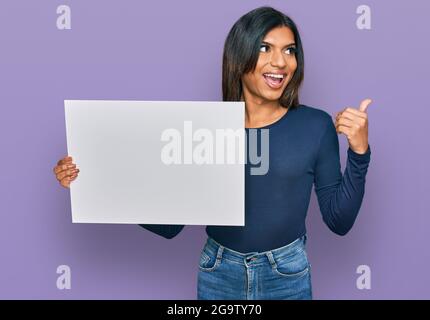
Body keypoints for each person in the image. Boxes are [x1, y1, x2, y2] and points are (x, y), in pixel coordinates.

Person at [53, 6, 372, 300]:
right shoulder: (209, 129)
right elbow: (170, 225)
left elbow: (338, 220)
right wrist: (93, 180)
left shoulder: (314, 126)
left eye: (289, 50)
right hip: (219, 273)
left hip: (287, 273)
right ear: (239, 55)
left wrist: (359, 152)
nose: (280, 61)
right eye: (265, 48)